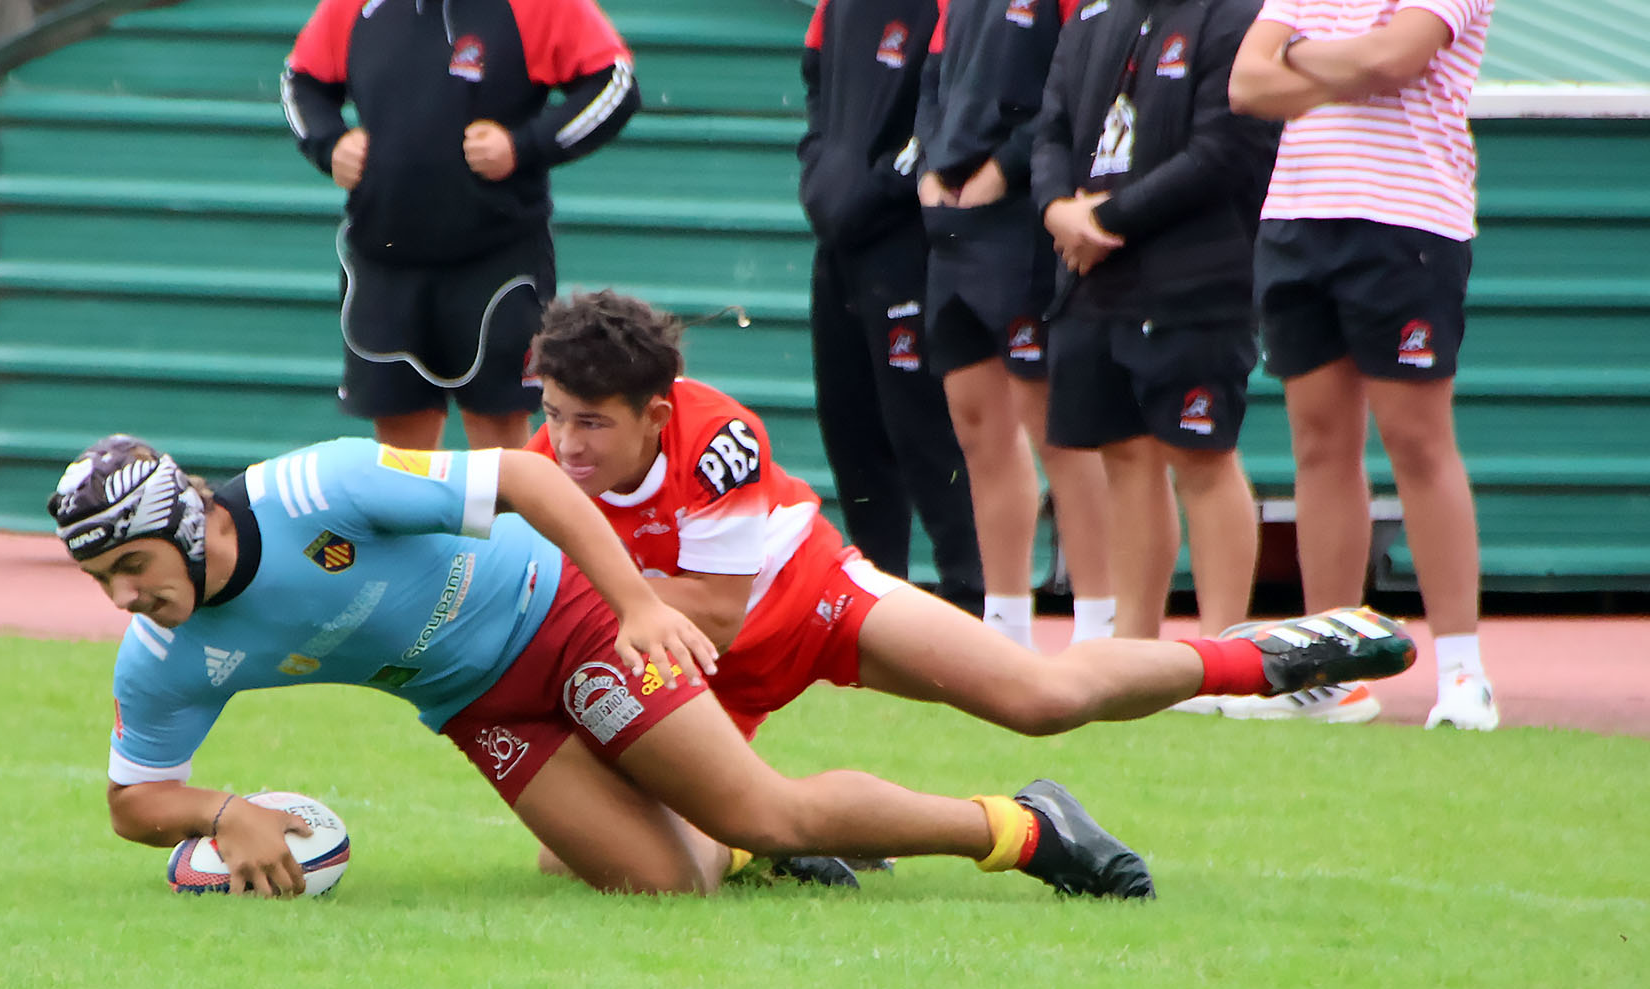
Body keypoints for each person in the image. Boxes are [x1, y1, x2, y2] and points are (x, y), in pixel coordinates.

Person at [50, 431, 1407, 900]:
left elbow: (524, 473)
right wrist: (221, 810)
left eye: (130, 568)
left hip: (565, 625)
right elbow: (129, 797)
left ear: (186, 519)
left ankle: (1016, 827)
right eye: (107, 584)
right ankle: (757, 854)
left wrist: (631, 599)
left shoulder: (319, 489)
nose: (128, 600)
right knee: (662, 881)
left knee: (758, 802)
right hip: (472, 707)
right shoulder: (171, 650)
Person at [523, 290, 1413, 748]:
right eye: (555, 414)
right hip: (704, 670)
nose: (564, 444)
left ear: (656, 411)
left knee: (1041, 699)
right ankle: (786, 844)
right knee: (600, 860)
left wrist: (577, 585)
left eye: (590, 422)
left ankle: (1274, 654)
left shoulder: (716, 432)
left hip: (810, 602)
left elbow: (715, 610)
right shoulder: (540, 465)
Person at [1226, 0, 1498, 730]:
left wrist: (1304, 53)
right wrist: (1344, 62)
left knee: (1417, 442)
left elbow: (1391, 60)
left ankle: (1464, 672)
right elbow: (1247, 85)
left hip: (1410, 222)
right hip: (1297, 221)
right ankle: (1330, 669)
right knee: (1318, 444)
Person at [1029, 0, 1282, 654]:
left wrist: (1109, 218)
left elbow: (1226, 148)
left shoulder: (1235, 16)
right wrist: (1058, 209)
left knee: (1202, 456)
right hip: (1093, 278)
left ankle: (1222, 649)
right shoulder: (1091, 17)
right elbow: (1050, 129)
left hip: (1193, 281)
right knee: (1125, 457)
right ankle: (1135, 653)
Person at [280, 0, 640, 452]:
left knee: (499, 442)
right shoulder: (353, 7)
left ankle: (502, 526)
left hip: (497, 261)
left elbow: (615, 83)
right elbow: (300, 80)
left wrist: (524, 145)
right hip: (383, 260)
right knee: (400, 451)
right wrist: (330, 144)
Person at [913, 0, 1117, 651]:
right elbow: (932, 82)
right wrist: (927, 169)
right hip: (953, 229)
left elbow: (1080, 87)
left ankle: (1098, 625)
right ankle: (1005, 626)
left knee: (1059, 430)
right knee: (976, 423)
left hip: (1026, 224)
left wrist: (1004, 168)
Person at [797, 0, 984, 610]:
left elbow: (941, 109)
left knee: (922, 425)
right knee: (848, 421)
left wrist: (879, 186)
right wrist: (821, 174)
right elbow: (816, 90)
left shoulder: (946, 9)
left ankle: (968, 595)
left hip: (910, 242)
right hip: (839, 245)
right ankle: (877, 595)